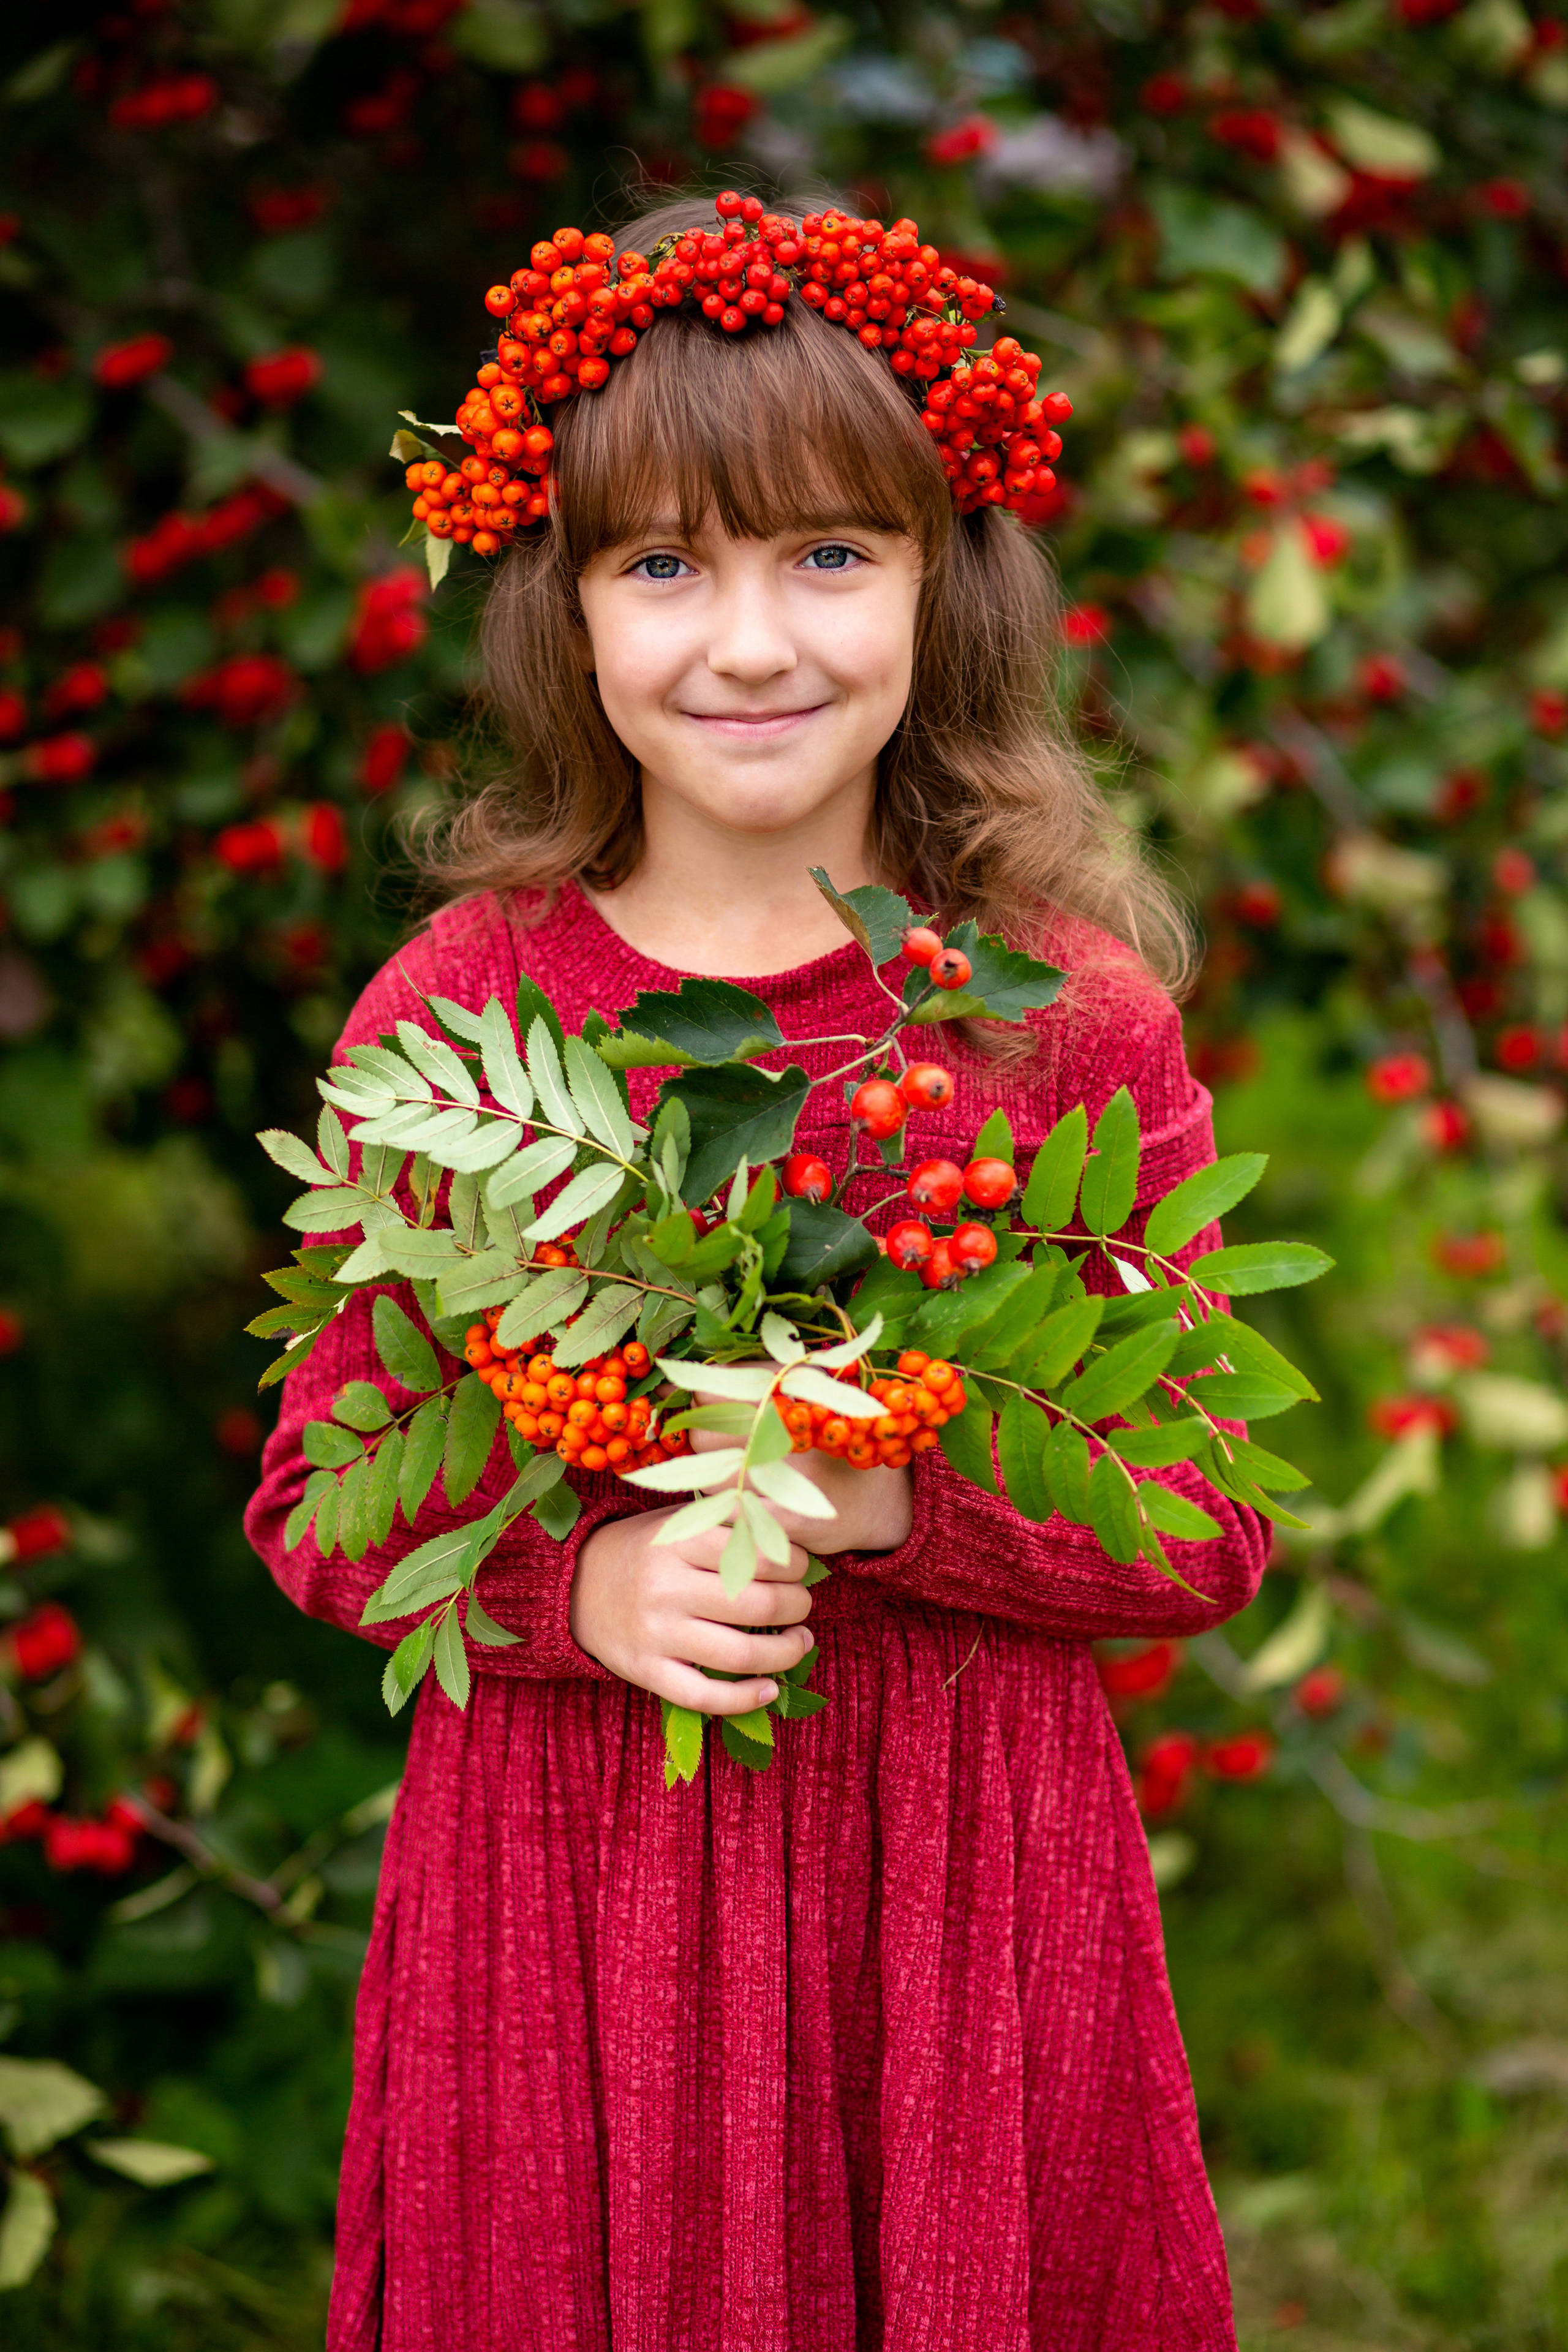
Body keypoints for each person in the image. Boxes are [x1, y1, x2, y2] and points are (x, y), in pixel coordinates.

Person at [246, 188, 1265, 2352]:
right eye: (661, 564)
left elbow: (1199, 1516)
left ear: (940, 582)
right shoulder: (463, 1024)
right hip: (571, 1900)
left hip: (958, 1907)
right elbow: (328, 1485)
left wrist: (904, 1499)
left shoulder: (1055, 1023)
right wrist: (576, 1590)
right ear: (562, 606)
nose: (749, 643)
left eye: (829, 552)